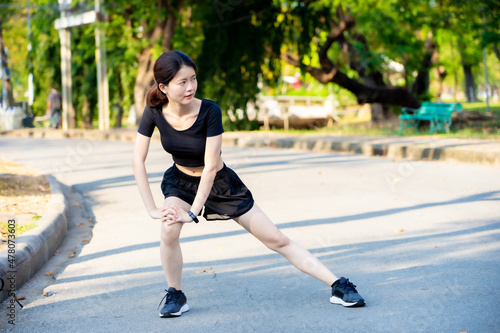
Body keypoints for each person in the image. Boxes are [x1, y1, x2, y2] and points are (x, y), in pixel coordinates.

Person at [132, 51, 365, 318]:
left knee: (276, 238)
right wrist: (152, 209)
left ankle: (338, 285)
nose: (190, 87)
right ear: (163, 87)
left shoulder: (209, 111)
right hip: (181, 182)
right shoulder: (154, 112)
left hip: (220, 182)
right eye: (181, 82)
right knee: (168, 230)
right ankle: (175, 293)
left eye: (193, 79)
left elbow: (210, 167)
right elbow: (138, 160)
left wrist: (193, 213)